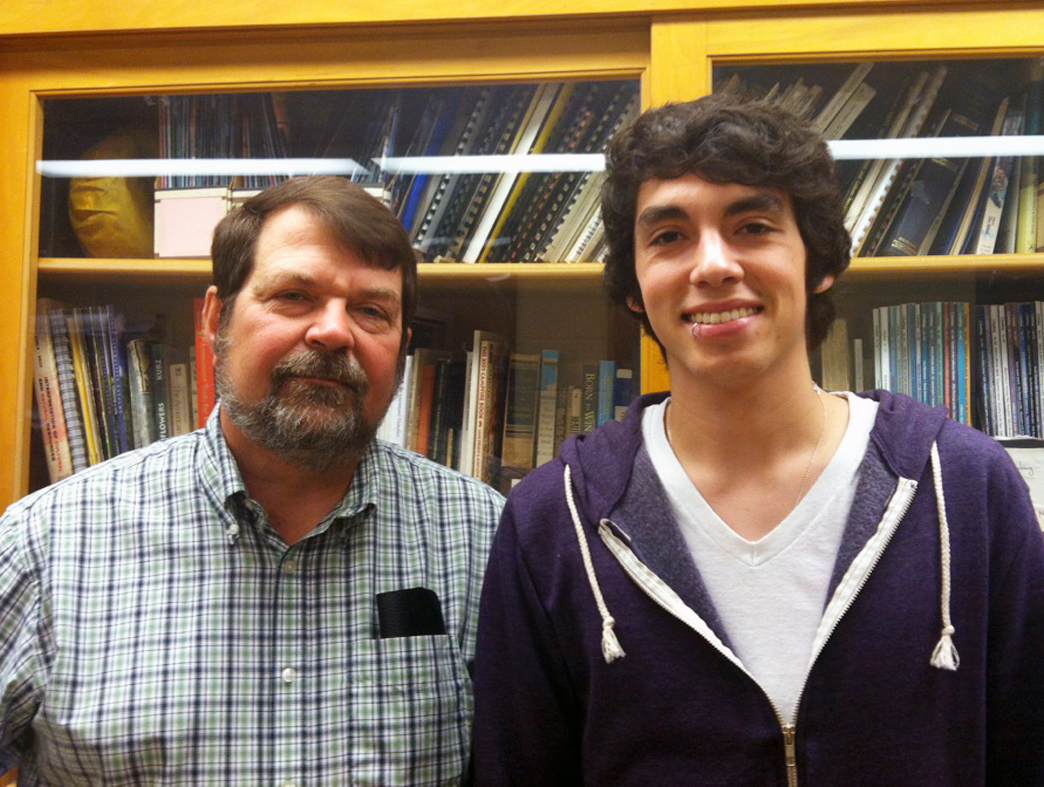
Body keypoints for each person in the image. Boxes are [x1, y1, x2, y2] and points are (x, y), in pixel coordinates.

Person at [472, 94, 1044, 784]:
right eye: (669, 236)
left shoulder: (967, 487)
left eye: (752, 226)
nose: (712, 265)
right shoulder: (550, 519)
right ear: (634, 287)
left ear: (819, 261)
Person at [0, 175, 504, 785]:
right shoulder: (46, 543)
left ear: (400, 347)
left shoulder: (485, 538)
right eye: (294, 296)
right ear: (216, 318)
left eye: (371, 311)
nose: (334, 331)